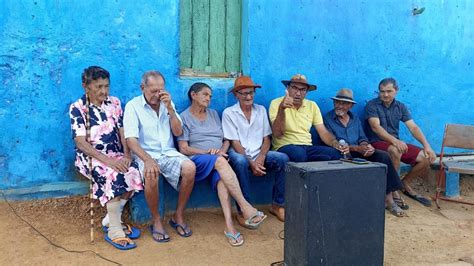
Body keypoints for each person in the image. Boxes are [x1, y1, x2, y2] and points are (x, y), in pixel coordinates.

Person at [177, 82, 267, 247]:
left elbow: (226, 140)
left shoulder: (213, 114)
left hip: (217, 159)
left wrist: (222, 151)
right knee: (220, 162)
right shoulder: (183, 117)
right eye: (205, 94)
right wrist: (208, 153)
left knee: (222, 181)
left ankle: (229, 227)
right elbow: (183, 148)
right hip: (197, 159)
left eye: (210, 96)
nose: (208, 98)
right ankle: (246, 208)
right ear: (193, 95)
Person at [69, 66, 143, 250]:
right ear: (85, 86)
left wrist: (126, 155)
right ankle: (115, 230)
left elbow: (122, 130)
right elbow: (80, 142)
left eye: (106, 86)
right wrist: (108, 161)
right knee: (112, 175)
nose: (103, 91)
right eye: (98, 86)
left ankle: (111, 219)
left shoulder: (114, 103)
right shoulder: (78, 108)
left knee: (134, 171)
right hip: (91, 156)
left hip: (117, 153)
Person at [124, 71, 195, 242]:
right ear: (143, 88)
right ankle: (156, 220)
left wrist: (170, 108)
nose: (157, 95)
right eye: (153, 91)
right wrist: (147, 160)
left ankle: (178, 216)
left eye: (160, 90)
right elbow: (131, 140)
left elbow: (178, 132)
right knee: (151, 173)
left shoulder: (167, 105)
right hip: (145, 154)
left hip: (168, 153)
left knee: (190, 168)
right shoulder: (133, 106)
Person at [324, 88, 407, 217]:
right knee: (345, 156)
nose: (340, 106)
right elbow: (331, 141)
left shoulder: (355, 119)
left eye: (344, 103)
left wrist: (366, 147)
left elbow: (362, 138)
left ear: (350, 106)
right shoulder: (328, 118)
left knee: (383, 156)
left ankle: (389, 199)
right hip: (341, 153)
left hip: (358, 151)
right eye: (337, 102)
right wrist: (356, 148)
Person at [222, 76, 289, 222]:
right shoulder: (229, 113)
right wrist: (252, 162)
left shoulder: (260, 110)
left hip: (259, 153)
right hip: (240, 153)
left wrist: (261, 157)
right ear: (236, 95)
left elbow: (267, 139)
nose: (248, 96)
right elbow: (235, 143)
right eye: (244, 93)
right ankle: (244, 210)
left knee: (283, 159)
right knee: (240, 162)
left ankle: (278, 205)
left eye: (251, 92)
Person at [365, 77, 436, 207]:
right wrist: (395, 141)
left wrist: (427, 146)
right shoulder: (372, 105)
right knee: (395, 149)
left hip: (395, 142)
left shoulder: (401, 107)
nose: (385, 94)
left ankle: (405, 183)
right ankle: (393, 189)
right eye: (382, 91)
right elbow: (375, 127)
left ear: (396, 91)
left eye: (389, 91)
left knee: (426, 157)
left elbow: (413, 127)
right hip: (377, 142)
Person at [269, 73, 348, 162]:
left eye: (303, 90)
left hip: (307, 147)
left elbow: (323, 132)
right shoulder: (276, 103)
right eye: (294, 88)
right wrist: (282, 109)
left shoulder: (312, 105)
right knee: (299, 154)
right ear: (288, 88)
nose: (298, 93)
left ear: (306, 92)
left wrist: (335, 144)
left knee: (336, 154)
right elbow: (277, 134)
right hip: (285, 146)